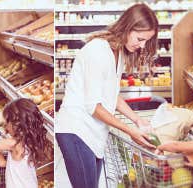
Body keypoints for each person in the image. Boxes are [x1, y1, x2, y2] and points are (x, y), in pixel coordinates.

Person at [55, 3, 159, 187]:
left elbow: (111, 95)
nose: (142, 46)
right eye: (140, 38)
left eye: (146, 41)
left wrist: (137, 120)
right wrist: (131, 132)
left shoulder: (118, 52)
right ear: (128, 27)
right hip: (77, 130)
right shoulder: (98, 51)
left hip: (93, 132)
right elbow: (93, 106)